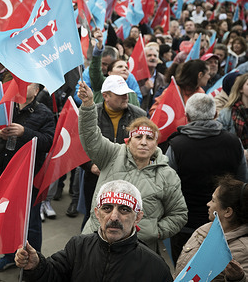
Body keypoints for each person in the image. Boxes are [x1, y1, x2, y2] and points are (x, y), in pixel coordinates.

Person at [77, 80, 188, 252]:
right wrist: (88, 104)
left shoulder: (167, 175)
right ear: (128, 141)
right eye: (138, 137)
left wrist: (155, 232)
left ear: (156, 144)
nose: (143, 143)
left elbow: (179, 214)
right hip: (95, 242)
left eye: (149, 138)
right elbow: (90, 135)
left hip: (138, 249)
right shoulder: (112, 154)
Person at [15, 180, 173, 282]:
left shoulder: (155, 268)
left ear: (137, 217)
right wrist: (36, 265)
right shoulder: (78, 246)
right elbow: (53, 275)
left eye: (124, 209)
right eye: (107, 208)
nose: (114, 217)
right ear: (97, 213)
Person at [166, 93, 247, 263]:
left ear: (186, 117)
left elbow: (167, 188)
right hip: (227, 226)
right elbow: (242, 184)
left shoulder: (176, 146)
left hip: (186, 227)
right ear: (216, 114)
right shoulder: (234, 142)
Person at [0, 83, 55, 271]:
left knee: (30, 220)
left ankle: (34, 262)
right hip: (3, 171)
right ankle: (10, 256)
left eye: (26, 84)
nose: (20, 86)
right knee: (6, 216)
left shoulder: (44, 113)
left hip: (29, 175)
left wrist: (24, 133)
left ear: (36, 91)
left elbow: (49, 142)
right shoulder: (5, 106)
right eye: (18, 82)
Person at [78, 75, 146, 229]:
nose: (125, 97)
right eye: (120, 94)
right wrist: (90, 166)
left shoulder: (139, 115)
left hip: (128, 179)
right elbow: (81, 144)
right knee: (94, 218)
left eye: (126, 93)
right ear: (105, 96)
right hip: (95, 178)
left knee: (122, 221)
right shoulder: (91, 113)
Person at [175, 176, 248, 281]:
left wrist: (237, 278)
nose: (208, 204)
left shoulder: (243, 250)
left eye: (213, 200)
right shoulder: (204, 229)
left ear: (228, 212)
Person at [88, 29, 142, 107]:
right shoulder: (101, 84)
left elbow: (136, 116)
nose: (124, 69)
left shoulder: (132, 94)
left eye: (126, 68)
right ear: (109, 72)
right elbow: (95, 70)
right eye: (119, 66)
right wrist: (99, 45)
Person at [218, 73, 248, 163]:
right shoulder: (227, 113)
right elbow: (221, 139)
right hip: (235, 160)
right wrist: (242, 152)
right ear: (240, 89)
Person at [138, 46, 167, 113]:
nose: (152, 58)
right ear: (143, 59)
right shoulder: (136, 76)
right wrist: (145, 88)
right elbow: (132, 97)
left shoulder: (162, 78)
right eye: (149, 55)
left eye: (155, 56)